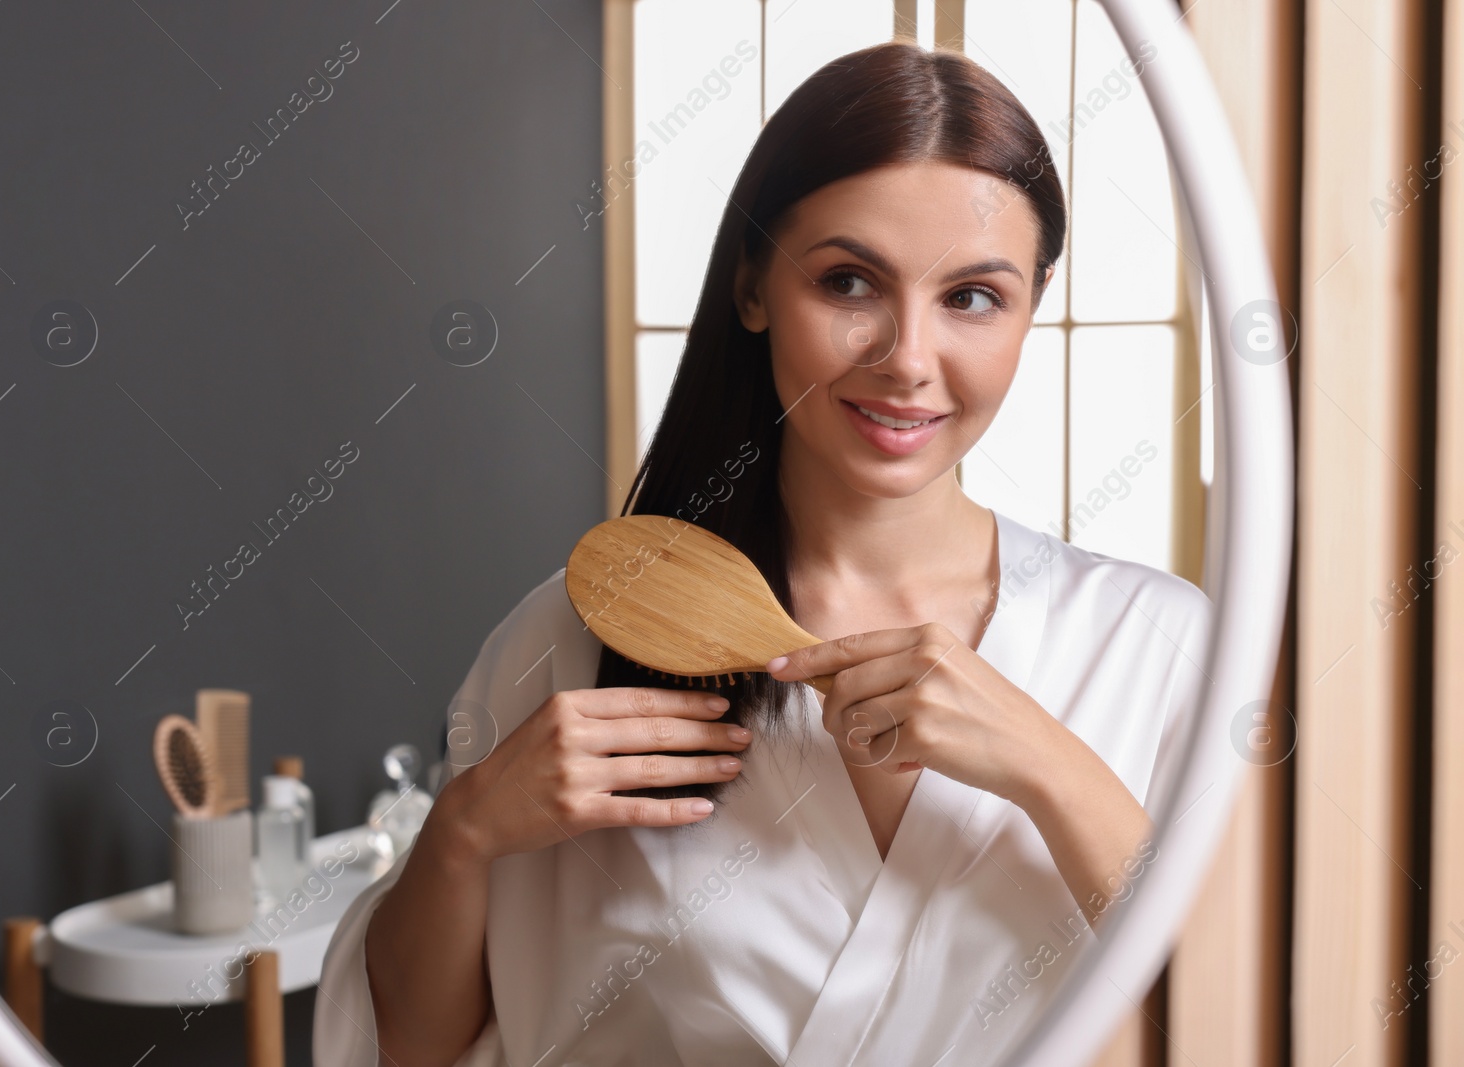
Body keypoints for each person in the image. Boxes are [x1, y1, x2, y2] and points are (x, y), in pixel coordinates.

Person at [315, 40, 1211, 1067]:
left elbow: (1248, 1016)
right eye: (847, 281)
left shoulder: (1157, 648)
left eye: (971, 296)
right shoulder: (584, 633)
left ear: (1028, 310)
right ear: (752, 289)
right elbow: (412, 1047)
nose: (908, 359)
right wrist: (465, 828)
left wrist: (1048, 766)